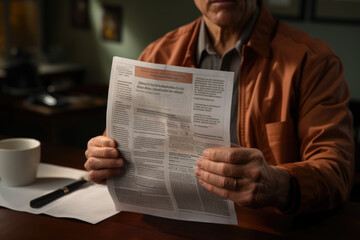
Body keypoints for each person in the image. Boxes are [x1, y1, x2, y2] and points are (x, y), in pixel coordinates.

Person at [84, 0, 354, 217]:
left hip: (265, 227)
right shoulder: (157, 55)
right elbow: (117, 143)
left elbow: (337, 172)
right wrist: (104, 157)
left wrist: (279, 185)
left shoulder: (314, 63)